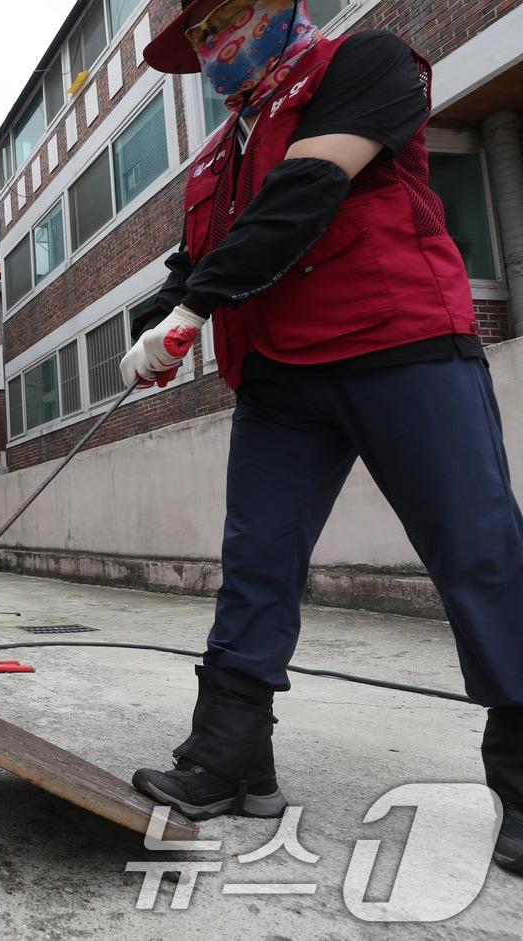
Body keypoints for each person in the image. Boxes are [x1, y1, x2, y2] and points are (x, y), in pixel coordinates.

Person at [124, 0, 523, 872]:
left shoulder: (362, 65)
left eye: (225, 16)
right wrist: (155, 321)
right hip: (279, 375)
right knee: (257, 559)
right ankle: (230, 755)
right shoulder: (222, 149)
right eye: (198, 34)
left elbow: (307, 191)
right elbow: (197, 264)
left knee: (477, 546)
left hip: (399, 340)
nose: (213, 42)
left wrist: (192, 310)